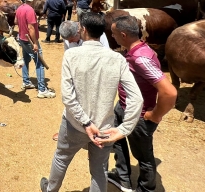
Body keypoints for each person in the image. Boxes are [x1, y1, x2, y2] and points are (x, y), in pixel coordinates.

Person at [40, 12, 143, 192]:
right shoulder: (117, 59)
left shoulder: (72, 56)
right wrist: (123, 130)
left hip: (74, 124)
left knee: (61, 158)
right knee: (99, 170)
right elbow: (137, 98)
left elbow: (68, 97)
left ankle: (50, 189)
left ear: (83, 29)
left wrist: (86, 122)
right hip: (104, 127)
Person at [108, 16, 178, 192]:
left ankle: (146, 188)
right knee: (117, 141)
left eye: (114, 33)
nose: (112, 36)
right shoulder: (136, 50)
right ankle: (122, 177)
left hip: (137, 115)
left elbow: (169, 92)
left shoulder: (141, 58)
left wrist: (155, 115)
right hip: (124, 106)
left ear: (123, 35)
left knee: (143, 156)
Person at [16, 0, 55, 98]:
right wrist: (35, 43)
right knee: (39, 63)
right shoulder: (30, 10)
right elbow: (31, 28)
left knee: (26, 59)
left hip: (22, 38)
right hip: (30, 40)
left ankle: (26, 81)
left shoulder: (20, 8)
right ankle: (42, 90)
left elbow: (15, 21)